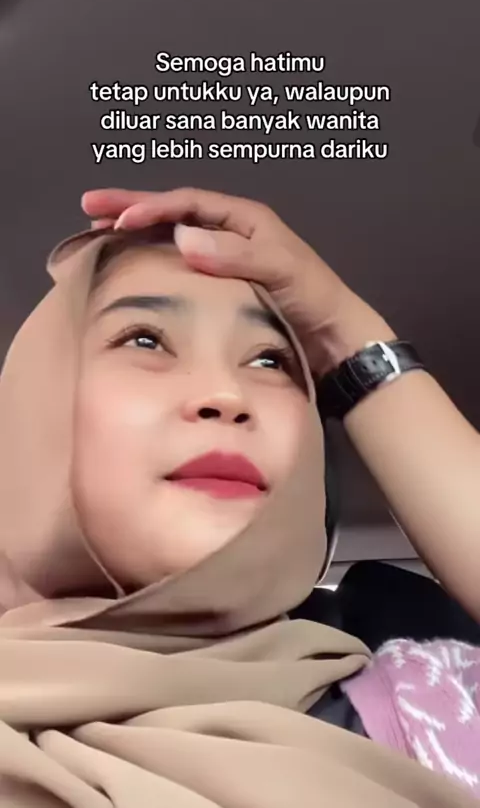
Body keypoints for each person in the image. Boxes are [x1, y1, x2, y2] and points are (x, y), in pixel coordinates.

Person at [0, 196, 477, 807]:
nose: (227, 394)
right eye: (145, 340)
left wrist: (343, 328)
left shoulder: (434, 709)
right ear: (31, 417)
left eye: (270, 360)